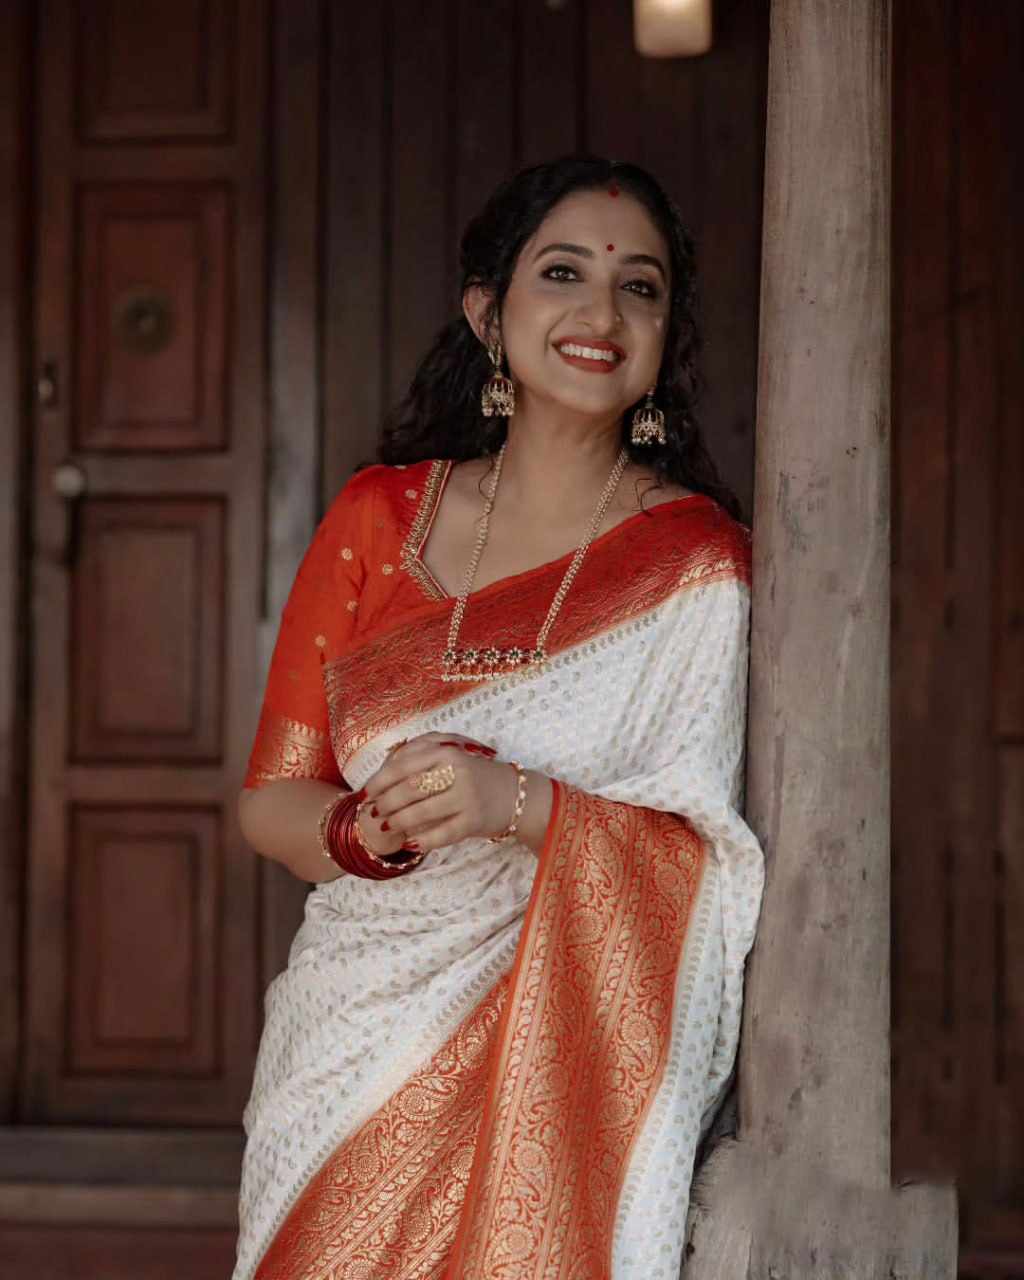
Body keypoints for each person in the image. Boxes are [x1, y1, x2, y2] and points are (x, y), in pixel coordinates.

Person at [232, 155, 764, 1280]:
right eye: (562, 272)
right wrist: (364, 830)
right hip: (353, 1043)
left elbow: (704, 859)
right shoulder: (378, 517)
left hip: (555, 1045)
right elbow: (273, 797)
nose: (600, 313)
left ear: (665, 334)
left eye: (639, 287)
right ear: (486, 312)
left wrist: (515, 803)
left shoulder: (694, 568)